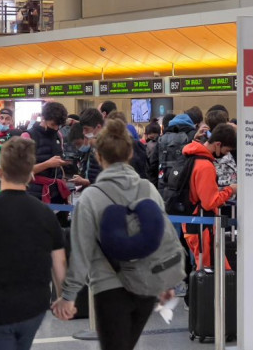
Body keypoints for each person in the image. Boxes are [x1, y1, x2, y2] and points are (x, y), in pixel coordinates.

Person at [52, 119, 176, 350]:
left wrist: (68, 296)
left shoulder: (90, 198)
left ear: (99, 157)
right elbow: (164, 237)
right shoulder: (148, 189)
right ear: (129, 154)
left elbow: (81, 252)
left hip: (109, 289)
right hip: (146, 287)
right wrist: (166, 280)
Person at [0, 136, 66, 350]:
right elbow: (59, 261)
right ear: (31, 174)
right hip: (33, 308)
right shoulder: (44, 212)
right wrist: (63, 298)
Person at [181, 124, 237, 269]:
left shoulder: (192, 157)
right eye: (226, 150)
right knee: (210, 273)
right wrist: (230, 190)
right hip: (203, 228)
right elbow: (209, 202)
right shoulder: (205, 166)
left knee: (205, 271)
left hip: (192, 223)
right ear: (218, 144)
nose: (226, 154)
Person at [28, 102, 71, 206]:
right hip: (35, 194)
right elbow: (21, 173)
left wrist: (65, 191)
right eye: (52, 124)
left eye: (58, 125)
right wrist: (47, 164)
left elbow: (60, 167)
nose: (55, 128)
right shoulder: (28, 136)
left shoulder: (58, 135)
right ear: (43, 118)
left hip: (57, 192)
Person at [71, 108, 104, 188]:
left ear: (98, 127)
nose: (83, 132)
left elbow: (105, 181)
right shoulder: (94, 146)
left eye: (86, 129)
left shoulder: (107, 148)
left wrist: (85, 182)